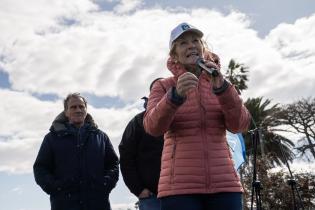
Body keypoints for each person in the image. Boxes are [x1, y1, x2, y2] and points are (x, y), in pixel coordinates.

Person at [143, 22, 251, 210]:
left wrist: (224, 90)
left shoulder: (221, 83)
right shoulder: (163, 86)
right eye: (183, 43)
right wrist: (174, 97)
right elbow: (152, 127)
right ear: (174, 55)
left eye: (195, 41)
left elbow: (239, 125)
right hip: (179, 189)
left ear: (203, 48)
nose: (191, 45)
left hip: (225, 185)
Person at [33, 93, 119, 210]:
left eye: (81, 106)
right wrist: (56, 188)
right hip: (64, 205)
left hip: (98, 204)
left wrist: (105, 185)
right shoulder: (51, 138)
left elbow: (113, 164)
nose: (78, 110)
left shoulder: (101, 137)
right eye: (73, 107)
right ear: (66, 112)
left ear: (86, 110)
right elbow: (40, 168)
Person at [119, 78, 164, 210]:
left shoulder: (182, 118)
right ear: (151, 95)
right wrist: (138, 189)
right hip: (151, 197)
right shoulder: (138, 123)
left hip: (184, 195)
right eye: (159, 90)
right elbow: (126, 157)